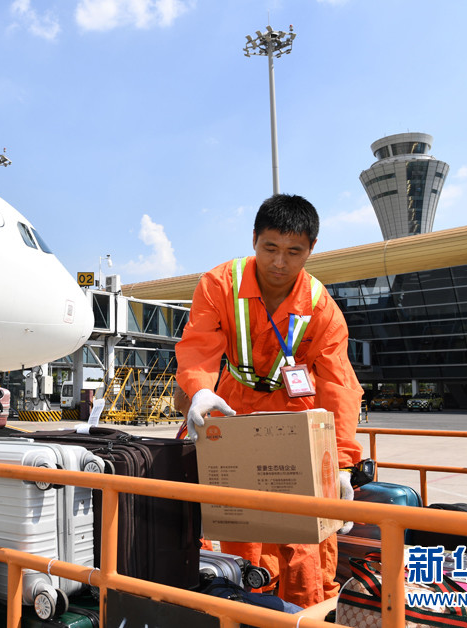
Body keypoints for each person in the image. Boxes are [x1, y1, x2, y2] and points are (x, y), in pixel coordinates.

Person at [175, 193, 363, 608]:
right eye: (270, 248)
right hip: (231, 403)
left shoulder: (322, 308)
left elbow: (338, 384)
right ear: (254, 240)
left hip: (294, 409)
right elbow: (199, 344)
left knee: (305, 532)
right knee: (237, 516)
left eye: (294, 251)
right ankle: (242, 603)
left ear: (311, 250)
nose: (280, 262)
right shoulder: (218, 284)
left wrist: (343, 462)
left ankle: (309, 612)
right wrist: (200, 388)